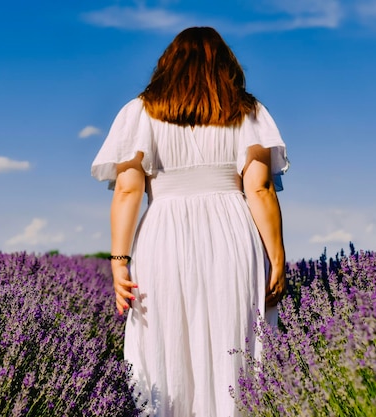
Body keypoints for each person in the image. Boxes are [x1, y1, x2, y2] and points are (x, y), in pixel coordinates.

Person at [91, 26, 289, 417]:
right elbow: (261, 189)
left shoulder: (139, 112)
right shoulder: (248, 112)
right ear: (226, 66)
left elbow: (128, 191)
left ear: (168, 65)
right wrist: (277, 258)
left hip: (163, 233)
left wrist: (119, 261)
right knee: (235, 343)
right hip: (232, 231)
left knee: (165, 344)